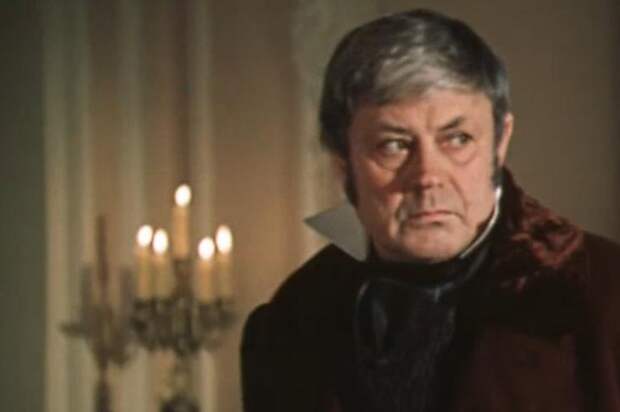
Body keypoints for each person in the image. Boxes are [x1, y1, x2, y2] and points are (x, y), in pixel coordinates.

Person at [241, 9, 620, 412]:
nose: (427, 177)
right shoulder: (289, 324)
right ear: (342, 166)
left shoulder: (604, 296)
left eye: (457, 139)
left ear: (500, 142)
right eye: (393, 145)